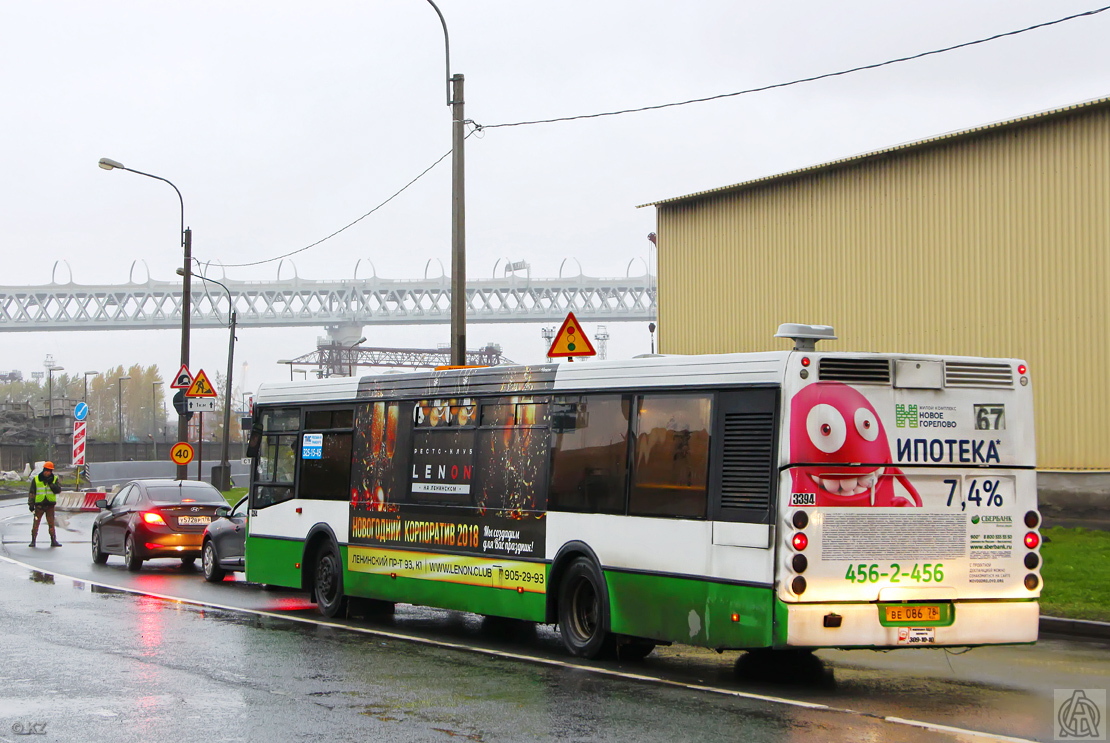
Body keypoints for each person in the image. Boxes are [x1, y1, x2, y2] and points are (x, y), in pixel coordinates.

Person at [28, 461, 63, 548]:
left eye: (49, 471)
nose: (47, 473)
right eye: (46, 470)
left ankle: (53, 540)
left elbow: (58, 490)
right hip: (39, 505)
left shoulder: (54, 479)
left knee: (51, 524)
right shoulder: (36, 479)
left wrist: (51, 484)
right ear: (44, 470)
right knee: (36, 523)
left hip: (50, 505)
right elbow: (32, 492)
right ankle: (33, 541)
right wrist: (31, 504)